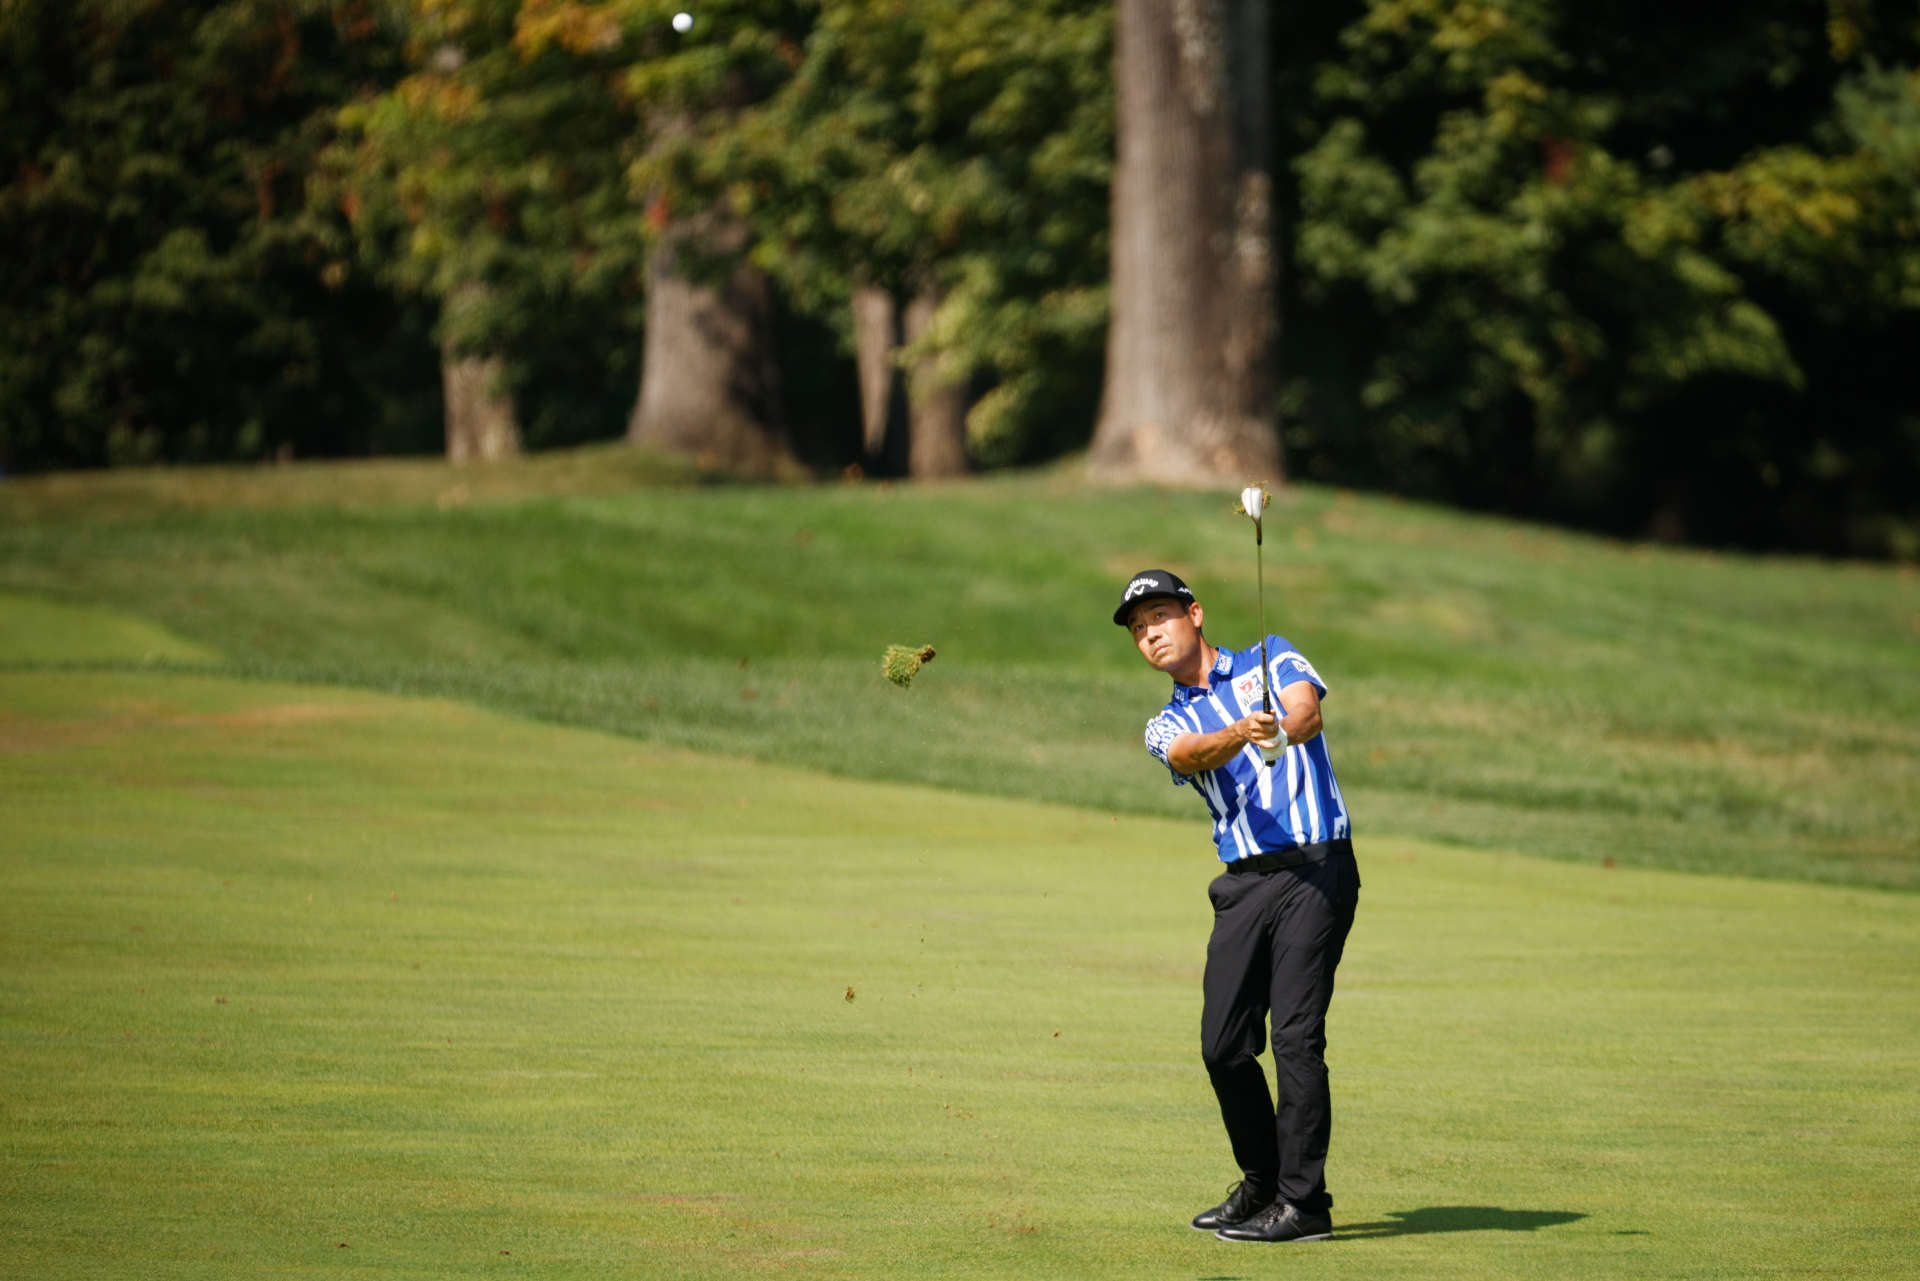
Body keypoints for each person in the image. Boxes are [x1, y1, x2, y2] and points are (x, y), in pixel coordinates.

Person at [1112, 569, 1361, 1244]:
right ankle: (1263, 1180)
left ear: (1194, 614)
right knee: (1222, 1045)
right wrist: (1243, 734)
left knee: (1295, 1037)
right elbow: (1190, 754)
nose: (1150, 633)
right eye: (1138, 629)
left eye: (1159, 615)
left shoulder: (1270, 653)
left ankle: (1304, 1203)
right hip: (1243, 885)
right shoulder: (1165, 722)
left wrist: (1282, 728)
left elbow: (1307, 709)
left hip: (1317, 869)